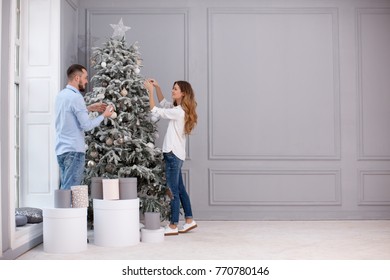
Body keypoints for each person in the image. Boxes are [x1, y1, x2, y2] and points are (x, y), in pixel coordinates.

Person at [144, 78, 198, 236]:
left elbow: (155, 110)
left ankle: (173, 225)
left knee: (173, 190)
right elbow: (163, 102)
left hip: (172, 155)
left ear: (183, 93)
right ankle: (189, 221)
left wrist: (150, 91)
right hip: (177, 155)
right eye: (172, 88)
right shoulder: (179, 108)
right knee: (180, 189)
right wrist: (158, 87)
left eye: (175, 89)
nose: (172, 91)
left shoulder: (178, 111)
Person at [55, 64, 114, 190]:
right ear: (77, 78)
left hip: (61, 150)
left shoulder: (61, 96)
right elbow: (87, 126)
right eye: (85, 77)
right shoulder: (76, 97)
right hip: (74, 151)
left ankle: (63, 209)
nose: (87, 81)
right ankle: (67, 211)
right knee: (70, 191)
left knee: (64, 189)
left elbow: (69, 115)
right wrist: (104, 115)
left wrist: (88, 108)